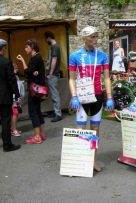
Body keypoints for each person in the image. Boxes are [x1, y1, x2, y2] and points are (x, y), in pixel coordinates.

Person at [68, 26, 114, 172]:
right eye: (92, 37)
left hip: (97, 97)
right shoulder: (75, 56)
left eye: (96, 36)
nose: (95, 40)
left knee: (95, 130)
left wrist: (109, 97)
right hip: (81, 98)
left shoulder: (102, 56)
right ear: (84, 38)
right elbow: (71, 79)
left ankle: (92, 160)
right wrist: (74, 96)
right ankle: (80, 162)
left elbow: (106, 78)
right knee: (81, 129)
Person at [17, 39, 46, 144]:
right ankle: (40, 134)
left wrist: (23, 61)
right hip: (38, 89)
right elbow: (32, 73)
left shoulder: (35, 58)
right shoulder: (37, 58)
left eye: (26, 47)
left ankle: (37, 136)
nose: (25, 49)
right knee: (37, 111)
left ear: (32, 47)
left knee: (33, 112)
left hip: (35, 90)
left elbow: (27, 72)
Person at [0, 39, 21, 152]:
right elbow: (11, 81)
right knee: (5, 120)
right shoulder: (6, 62)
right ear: (2, 49)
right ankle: (7, 145)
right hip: (4, 96)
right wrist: (17, 94)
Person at [44, 31, 62, 122]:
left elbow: (54, 60)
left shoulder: (54, 47)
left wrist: (50, 73)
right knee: (54, 94)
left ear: (49, 38)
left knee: (55, 94)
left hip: (53, 74)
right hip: (54, 74)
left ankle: (58, 114)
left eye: (45, 39)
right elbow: (52, 60)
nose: (45, 40)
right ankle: (56, 112)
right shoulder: (55, 47)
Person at [11, 63, 25, 137]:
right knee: (15, 114)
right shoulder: (12, 76)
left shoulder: (15, 76)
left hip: (15, 98)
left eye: (17, 68)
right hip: (13, 98)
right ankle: (13, 130)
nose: (17, 69)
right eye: (15, 68)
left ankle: (13, 128)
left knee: (15, 114)